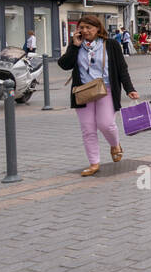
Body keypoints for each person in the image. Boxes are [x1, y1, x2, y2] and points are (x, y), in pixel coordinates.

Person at [56, 14, 139, 177]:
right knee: (88, 129)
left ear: (98, 29)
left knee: (106, 124)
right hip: (83, 92)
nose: (85, 31)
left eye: (89, 27)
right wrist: (74, 46)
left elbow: (122, 69)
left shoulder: (112, 45)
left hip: (106, 90)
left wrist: (129, 88)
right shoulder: (77, 46)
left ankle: (115, 144)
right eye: (82, 28)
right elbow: (64, 65)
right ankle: (94, 163)